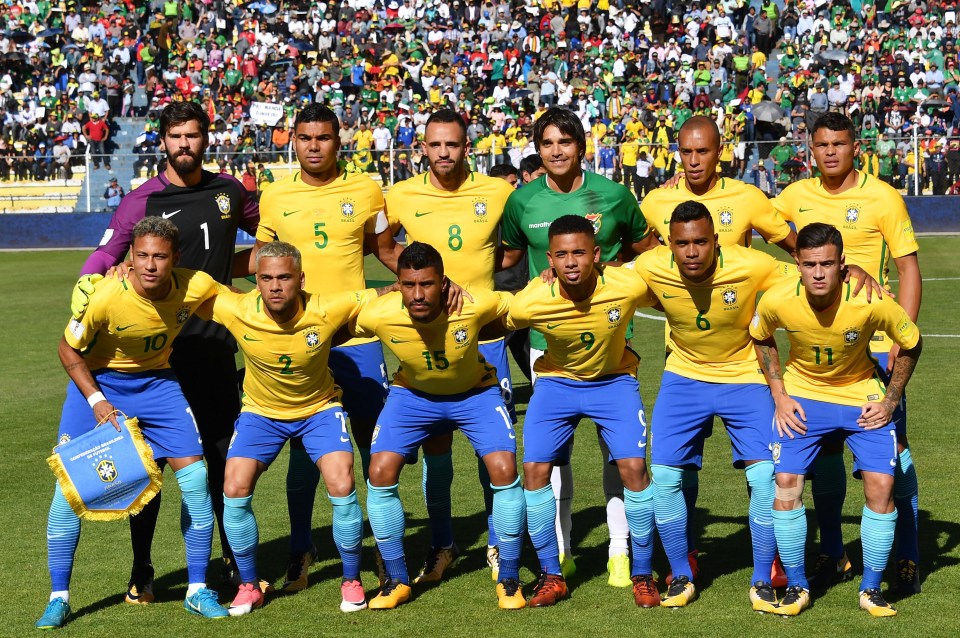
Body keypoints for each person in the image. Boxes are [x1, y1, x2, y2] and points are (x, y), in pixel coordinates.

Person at [71, 100, 259, 600]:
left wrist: (231, 268)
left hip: (215, 351)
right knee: (149, 468)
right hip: (156, 361)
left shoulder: (230, 192)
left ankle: (227, 559)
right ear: (163, 141)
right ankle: (142, 569)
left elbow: (274, 237)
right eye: (175, 137)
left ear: (206, 138)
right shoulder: (141, 202)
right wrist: (89, 282)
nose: (184, 145)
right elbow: (107, 254)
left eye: (193, 136)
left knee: (219, 461)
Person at [37, 218, 229, 629]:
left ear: (175, 258)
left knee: (195, 480)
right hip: (98, 384)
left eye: (160, 256)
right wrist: (97, 400)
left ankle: (197, 590)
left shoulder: (197, 284)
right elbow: (66, 349)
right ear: (130, 257)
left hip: (159, 385)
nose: (150, 265)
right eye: (141, 255)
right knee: (67, 492)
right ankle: (58, 598)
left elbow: (243, 307)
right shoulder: (107, 294)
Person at [500, 106, 659, 587]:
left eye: (564, 143)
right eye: (547, 143)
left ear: (581, 146)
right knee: (555, 454)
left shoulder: (613, 195)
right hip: (545, 340)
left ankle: (619, 550)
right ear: (537, 149)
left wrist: (611, 275)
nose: (556, 151)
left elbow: (647, 248)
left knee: (618, 454)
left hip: (613, 334)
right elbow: (508, 260)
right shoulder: (521, 201)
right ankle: (562, 551)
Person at [199, 242, 396, 615]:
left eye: (284, 278)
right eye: (266, 278)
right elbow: (184, 287)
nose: (275, 286)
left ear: (300, 279)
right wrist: (124, 268)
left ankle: (351, 579)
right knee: (233, 488)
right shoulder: (237, 309)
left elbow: (386, 292)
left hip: (319, 410)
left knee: (343, 483)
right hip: (261, 414)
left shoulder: (327, 306)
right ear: (255, 281)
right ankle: (247, 584)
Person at [252, 103, 400, 592]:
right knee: (302, 452)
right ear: (292, 140)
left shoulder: (365, 189)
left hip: (356, 338)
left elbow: (386, 252)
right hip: (299, 342)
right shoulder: (274, 195)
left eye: (323, 137)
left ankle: (382, 547)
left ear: (340, 140)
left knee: (375, 446)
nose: (313, 146)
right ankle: (301, 548)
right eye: (304, 137)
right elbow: (260, 260)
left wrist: (437, 279)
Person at [773, 112, 923, 594]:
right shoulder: (795, 196)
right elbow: (757, 222)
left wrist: (903, 334)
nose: (831, 152)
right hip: (818, 347)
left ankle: (907, 554)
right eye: (822, 145)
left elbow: (907, 268)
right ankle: (834, 552)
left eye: (840, 143)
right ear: (810, 149)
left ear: (855, 146)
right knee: (825, 456)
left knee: (892, 453)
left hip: (875, 345)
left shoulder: (882, 196)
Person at [641, 115, 796, 578]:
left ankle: (768, 557)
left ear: (720, 151)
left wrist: (841, 269)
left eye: (702, 152)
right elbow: (638, 256)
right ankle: (683, 548)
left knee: (760, 467)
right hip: (683, 352)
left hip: (744, 355)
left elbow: (791, 244)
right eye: (685, 152)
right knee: (678, 468)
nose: (692, 161)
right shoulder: (657, 200)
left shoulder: (747, 197)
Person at [750, 222, 923, 617]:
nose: (818, 273)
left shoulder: (870, 300)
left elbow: (912, 343)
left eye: (827, 263)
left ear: (842, 264)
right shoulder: (777, 299)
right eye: (810, 264)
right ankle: (797, 585)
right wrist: (778, 394)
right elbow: (760, 336)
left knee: (882, 484)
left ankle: (871, 588)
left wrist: (891, 399)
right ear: (797, 262)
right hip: (803, 396)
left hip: (860, 392)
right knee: (786, 485)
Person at [353, 242, 526, 611]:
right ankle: (398, 579)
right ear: (397, 283)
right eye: (408, 285)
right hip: (413, 396)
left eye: (428, 284)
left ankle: (510, 575)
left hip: (475, 394)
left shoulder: (473, 302)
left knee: (503, 468)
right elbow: (328, 319)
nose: (418, 294)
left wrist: (548, 276)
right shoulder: (379, 312)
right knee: (379, 471)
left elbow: (516, 306)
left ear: (444, 283)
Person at [384, 109, 517, 584]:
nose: (444, 153)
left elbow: (516, 246)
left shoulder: (498, 192)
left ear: (467, 147)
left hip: (487, 341)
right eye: (435, 145)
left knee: (494, 455)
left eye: (453, 145)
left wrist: (476, 294)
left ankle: (500, 544)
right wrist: (424, 283)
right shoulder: (400, 194)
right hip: (429, 340)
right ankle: (443, 544)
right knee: (437, 449)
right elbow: (381, 243)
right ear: (422, 147)